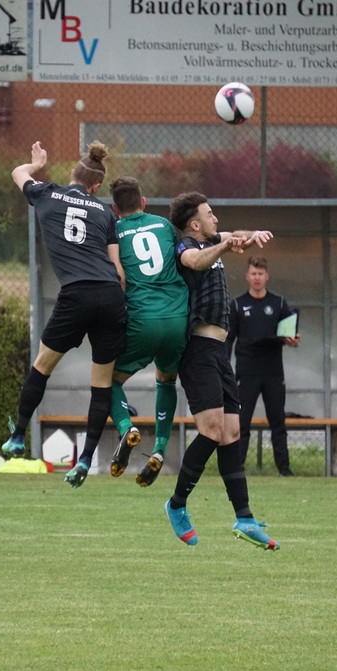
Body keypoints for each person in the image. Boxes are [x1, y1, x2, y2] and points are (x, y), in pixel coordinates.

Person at [2, 141, 127, 489]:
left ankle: (18, 436)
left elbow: (18, 173)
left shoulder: (47, 193)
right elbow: (118, 270)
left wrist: (36, 163)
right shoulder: (106, 213)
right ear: (96, 186)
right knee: (101, 384)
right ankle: (85, 459)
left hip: (76, 294)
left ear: (73, 173)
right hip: (109, 294)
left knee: (42, 366)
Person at [163, 192, 279, 550]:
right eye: (210, 214)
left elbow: (234, 236)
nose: (216, 219)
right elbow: (196, 261)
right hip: (197, 350)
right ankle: (176, 504)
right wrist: (226, 245)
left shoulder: (214, 240)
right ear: (195, 224)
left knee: (231, 432)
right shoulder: (186, 247)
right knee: (212, 430)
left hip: (218, 353)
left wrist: (252, 235)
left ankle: (244, 518)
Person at [105, 176, 189, 487]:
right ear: (143, 201)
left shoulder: (114, 231)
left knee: (107, 380)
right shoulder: (164, 225)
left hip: (143, 319)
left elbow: (118, 276)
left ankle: (126, 427)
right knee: (166, 380)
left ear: (115, 208)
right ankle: (160, 449)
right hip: (177, 317)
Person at [227, 256, 300, 477]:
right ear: (247, 277)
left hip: (273, 371)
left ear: (266, 276)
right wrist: (223, 368)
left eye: (260, 274)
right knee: (242, 422)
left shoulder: (278, 303)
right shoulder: (237, 304)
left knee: (278, 421)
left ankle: (284, 469)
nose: (257, 278)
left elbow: (289, 334)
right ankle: (236, 468)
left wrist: (293, 340)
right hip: (246, 371)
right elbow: (229, 339)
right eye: (253, 274)